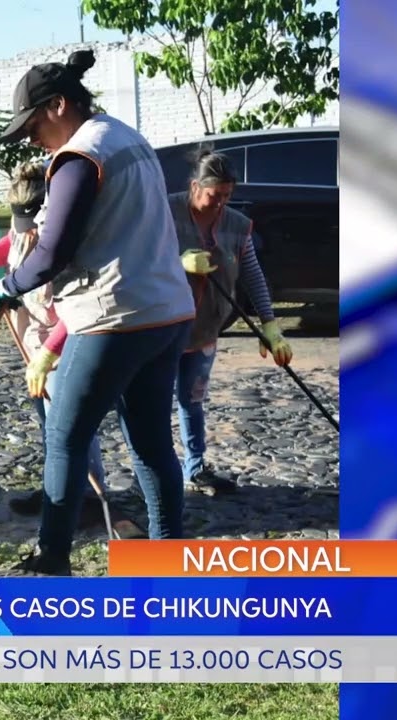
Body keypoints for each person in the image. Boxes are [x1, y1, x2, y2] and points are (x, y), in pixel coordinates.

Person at [0, 50, 196, 575]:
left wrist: (7, 285)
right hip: (167, 312)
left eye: (33, 125)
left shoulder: (80, 157)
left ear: (59, 105)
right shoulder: (128, 138)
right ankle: (167, 554)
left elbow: (53, 250)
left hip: (112, 318)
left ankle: (52, 557)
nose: (32, 139)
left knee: (65, 435)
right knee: (151, 441)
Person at [0, 161, 110, 493]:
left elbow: (79, 310)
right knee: (48, 424)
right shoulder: (22, 230)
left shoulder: (71, 243)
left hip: (64, 348)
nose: (27, 232)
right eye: (21, 225)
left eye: (32, 225)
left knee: (71, 427)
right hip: (31, 345)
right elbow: (12, 242)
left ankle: (88, 495)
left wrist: (49, 354)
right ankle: (56, 489)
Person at [168, 148, 294, 495]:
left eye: (227, 195)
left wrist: (269, 324)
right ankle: (156, 474)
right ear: (196, 186)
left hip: (206, 328)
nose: (221, 203)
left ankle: (194, 469)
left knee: (192, 401)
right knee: (152, 404)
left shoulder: (237, 226)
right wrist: (175, 263)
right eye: (214, 195)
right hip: (160, 329)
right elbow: (136, 256)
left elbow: (252, 273)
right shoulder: (165, 212)